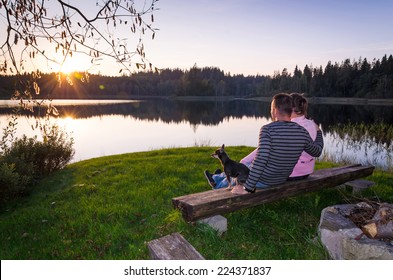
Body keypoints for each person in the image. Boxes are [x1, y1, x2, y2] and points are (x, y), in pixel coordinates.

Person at [204, 93, 323, 194]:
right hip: (281, 179)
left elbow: (261, 160)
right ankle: (221, 178)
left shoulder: (267, 129)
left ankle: (218, 183)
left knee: (242, 171)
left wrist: (248, 188)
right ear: (290, 110)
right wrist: (319, 134)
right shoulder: (302, 131)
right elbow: (317, 151)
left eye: (271, 109)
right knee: (242, 170)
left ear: (275, 111)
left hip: (265, 180)